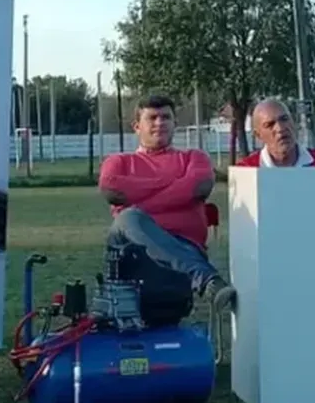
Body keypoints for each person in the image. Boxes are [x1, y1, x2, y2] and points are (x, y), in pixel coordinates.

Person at [98, 94, 237, 319]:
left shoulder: (195, 158)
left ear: (175, 123)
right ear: (136, 126)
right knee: (129, 219)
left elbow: (199, 187)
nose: (159, 123)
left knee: (131, 212)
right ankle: (206, 279)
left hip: (184, 248)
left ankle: (201, 279)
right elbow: (111, 189)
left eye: (166, 117)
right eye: (152, 118)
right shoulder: (119, 162)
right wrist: (175, 186)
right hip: (131, 251)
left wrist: (139, 199)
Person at [236, 98, 315, 168]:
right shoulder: (247, 168)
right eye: (270, 124)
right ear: (258, 135)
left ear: (293, 121)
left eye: (284, 119)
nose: (280, 128)